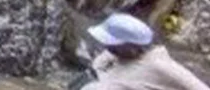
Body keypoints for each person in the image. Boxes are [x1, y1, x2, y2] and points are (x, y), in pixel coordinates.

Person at [81, 13, 210, 90]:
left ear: (130, 46)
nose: (108, 47)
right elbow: (98, 64)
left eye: (113, 44)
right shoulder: (113, 57)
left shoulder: (159, 65)